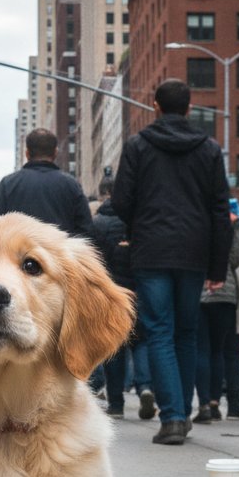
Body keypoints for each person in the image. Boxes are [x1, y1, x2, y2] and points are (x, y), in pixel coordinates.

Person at [112, 79, 232, 446]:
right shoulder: (209, 149)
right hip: (194, 254)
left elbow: (121, 201)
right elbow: (219, 211)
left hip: (151, 250)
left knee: (159, 330)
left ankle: (174, 417)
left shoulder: (137, 147)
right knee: (186, 333)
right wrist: (217, 267)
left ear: (155, 107)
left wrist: (137, 226)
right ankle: (180, 410)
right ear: (190, 108)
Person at [87, 176, 154, 420]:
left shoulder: (96, 224)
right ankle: (145, 386)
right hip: (138, 290)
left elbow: (92, 263)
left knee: (114, 346)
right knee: (141, 342)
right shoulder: (136, 221)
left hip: (110, 293)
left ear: (104, 195)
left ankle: (116, 403)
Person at [194, 199, 239, 423]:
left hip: (200, 292)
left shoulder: (198, 221)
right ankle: (216, 403)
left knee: (202, 350)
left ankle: (203, 404)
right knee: (221, 350)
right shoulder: (237, 226)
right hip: (228, 293)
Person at [0, 128, 92, 235]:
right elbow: (86, 230)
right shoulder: (72, 185)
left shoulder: (7, 184)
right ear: (55, 153)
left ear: (27, 153)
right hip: (60, 251)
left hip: (18, 251)